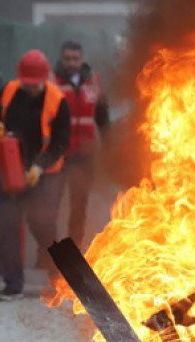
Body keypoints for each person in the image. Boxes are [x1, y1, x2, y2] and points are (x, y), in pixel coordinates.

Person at [0, 49, 70, 301]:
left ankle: (59, 281)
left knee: (44, 227)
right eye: (26, 84)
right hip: (10, 171)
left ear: (45, 79)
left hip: (43, 175)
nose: (30, 88)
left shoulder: (57, 100)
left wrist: (39, 166)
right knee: (9, 226)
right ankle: (12, 285)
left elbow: (61, 142)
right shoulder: (9, 91)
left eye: (35, 85)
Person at [53, 41, 111, 250]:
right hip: (58, 153)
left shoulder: (93, 83)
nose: (71, 63)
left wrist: (108, 144)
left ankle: (74, 248)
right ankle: (48, 252)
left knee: (79, 205)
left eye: (75, 59)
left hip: (85, 154)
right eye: (67, 58)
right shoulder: (53, 82)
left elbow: (102, 117)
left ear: (82, 60)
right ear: (61, 59)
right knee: (52, 203)